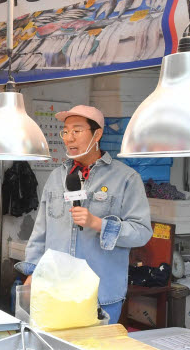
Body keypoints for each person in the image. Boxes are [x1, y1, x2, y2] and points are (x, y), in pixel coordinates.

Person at [15, 105, 151, 324]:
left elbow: (142, 232)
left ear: (97, 134)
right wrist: (32, 272)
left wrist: (98, 223)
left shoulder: (126, 178)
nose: (69, 138)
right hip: (54, 291)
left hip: (100, 295)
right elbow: (40, 231)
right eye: (66, 132)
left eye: (77, 131)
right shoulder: (56, 177)